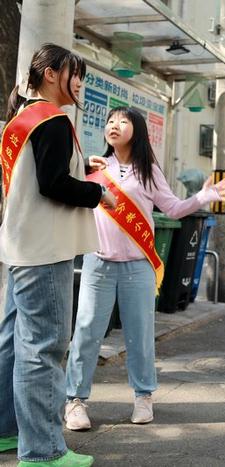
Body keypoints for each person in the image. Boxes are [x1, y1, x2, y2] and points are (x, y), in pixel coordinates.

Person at [63, 106, 225, 430]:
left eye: (123, 121)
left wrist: (203, 196)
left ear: (137, 130)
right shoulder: (95, 167)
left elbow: (173, 208)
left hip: (138, 266)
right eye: (110, 120)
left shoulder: (148, 170)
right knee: (86, 333)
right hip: (98, 263)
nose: (114, 125)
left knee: (139, 336)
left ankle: (143, 397)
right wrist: (84, 168)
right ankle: (75, 401)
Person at [0, 44, 116, 467]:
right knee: (44, 349)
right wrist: (98, 192)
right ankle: (44, 452)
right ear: (51, 74)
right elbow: (53, 185)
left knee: (14, 343)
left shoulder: (21, 119)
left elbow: (38, 180)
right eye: (75, 73)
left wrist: (84, 173)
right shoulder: (51, 119)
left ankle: (8, 433)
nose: (81, 83)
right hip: (46, 249)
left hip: (21, 246)